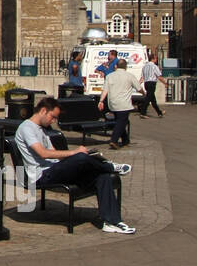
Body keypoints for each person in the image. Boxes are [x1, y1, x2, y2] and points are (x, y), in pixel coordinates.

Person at [15, 96, 134, 234]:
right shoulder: (26, 128)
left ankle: (112, 221)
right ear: (43, 111)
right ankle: (110, 166)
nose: (53, 121)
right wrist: (74, 153)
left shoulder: (42, 129)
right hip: (42, 174)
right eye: (53, 117)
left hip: (55, 170)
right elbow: (43, 153)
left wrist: (74, 159)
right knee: (80, 157)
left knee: (103, 176)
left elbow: (53, 152)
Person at [99, 58, 143, 149]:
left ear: (116, 66)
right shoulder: (129, 76)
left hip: (113, 103)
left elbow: (105, 90)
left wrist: (101, 101)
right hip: (124, 104)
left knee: (121, 121)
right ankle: (114, 140)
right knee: (121, 122)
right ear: (126, 67)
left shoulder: (109, 76)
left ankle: (125, 140)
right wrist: (144, 93)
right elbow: (139, 88)